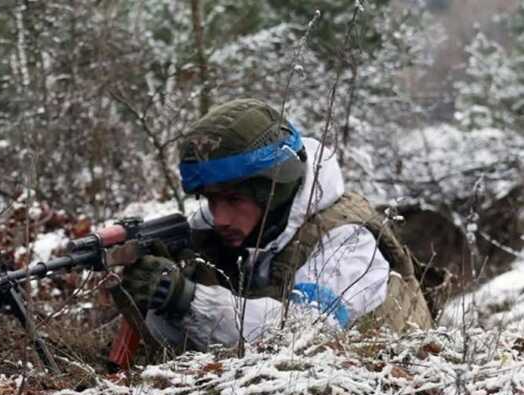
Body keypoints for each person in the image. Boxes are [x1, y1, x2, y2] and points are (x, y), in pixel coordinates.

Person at [115, 98, 432, 353]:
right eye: (210, 200)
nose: (220, 217)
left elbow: (301, 336)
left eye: (233, 200)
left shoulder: (347, 243)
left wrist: (186, 299)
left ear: (273, 190)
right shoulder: (232, 224)